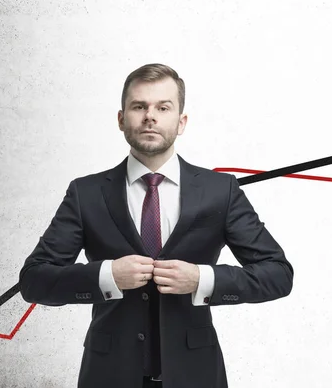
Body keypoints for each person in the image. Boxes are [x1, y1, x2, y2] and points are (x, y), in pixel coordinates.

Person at [18, 63, 294, 388]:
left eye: (163, 107)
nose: (150, 116)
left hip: (196, 375)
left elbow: (278, 274)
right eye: (139, 106)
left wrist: (202, 279)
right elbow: (34, 280)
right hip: (109, 376)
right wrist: (107, 276)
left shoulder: (221, 190)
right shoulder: (86, 193)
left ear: (181, 122)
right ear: (121, 119)